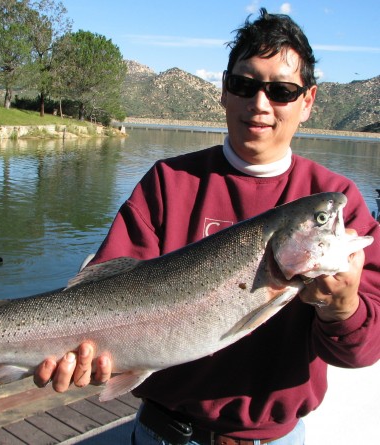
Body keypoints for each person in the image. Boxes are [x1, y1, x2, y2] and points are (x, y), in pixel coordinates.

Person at [34, 8, 380, 445]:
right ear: (223, 90)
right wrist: (87, 358)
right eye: (245, 84)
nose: (260, 104)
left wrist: (342, 305)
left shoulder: (335, 196)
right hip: (160, 432)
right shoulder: (168, 181)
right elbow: (101, 286)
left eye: (281, 91)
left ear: (307, 102)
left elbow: (362, 351)